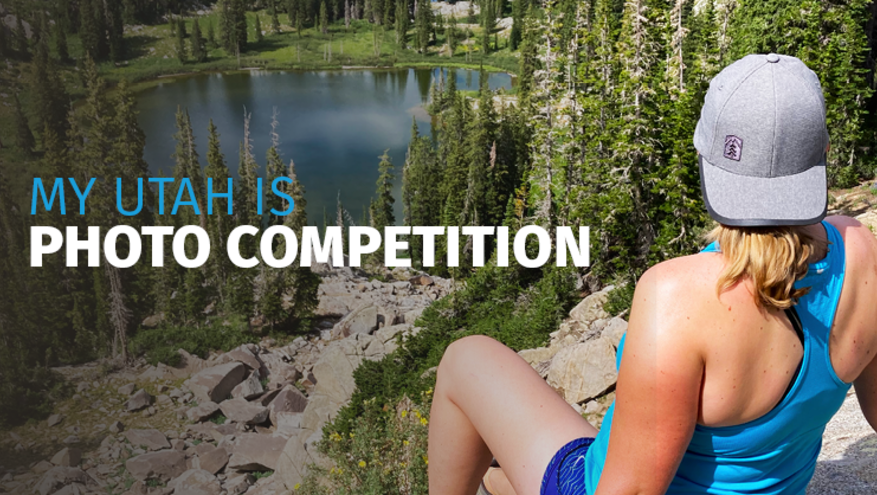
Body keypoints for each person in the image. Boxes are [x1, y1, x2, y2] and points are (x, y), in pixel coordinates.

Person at [427, 53, 877, 495]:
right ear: (823, 154)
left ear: (706, 156)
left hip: (603, 482)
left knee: (466, 359)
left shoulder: (678, 294)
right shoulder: (861, 252)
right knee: (497, 477)